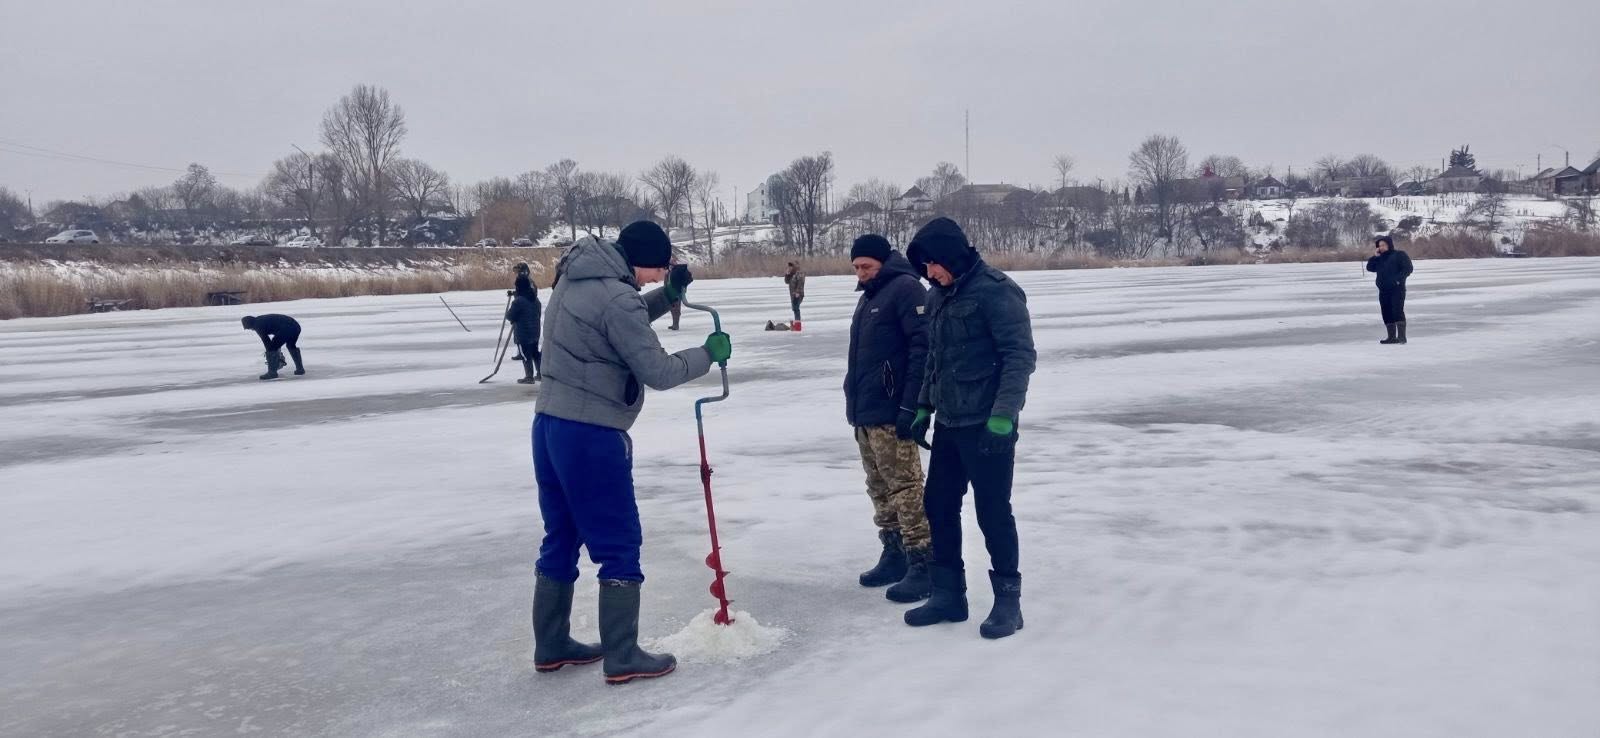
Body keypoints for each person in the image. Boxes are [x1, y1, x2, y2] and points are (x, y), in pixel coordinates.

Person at [530, 220, 728, 685]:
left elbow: (618, 321)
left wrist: (669, 295)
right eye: (658, 271)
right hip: (592, 433)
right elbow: (656, 369)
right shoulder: (618, 296)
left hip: (550, 426)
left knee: (561, 536)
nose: (656, 279)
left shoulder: (577, 278)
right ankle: (622, 655)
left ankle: (551, 644)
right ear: (640, 260)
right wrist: (707, 353)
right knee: (618, 542)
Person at [903, 217, 1036, 640]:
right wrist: (924, 404)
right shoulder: (938, 296)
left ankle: (1008, 602)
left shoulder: (997, 292)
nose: (929, 274)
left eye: (933, 265)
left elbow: (1019, 357)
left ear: (952, 256)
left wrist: (1004, 414)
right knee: (938, 505)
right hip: (949, 422)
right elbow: (934, 359)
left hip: (988, 425)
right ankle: (949, 595)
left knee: (993, 512)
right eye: (924, 268)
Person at [843, 234, 933, 602]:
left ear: (883, 262)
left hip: (893, 411)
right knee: (879, 487)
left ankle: (923, 561)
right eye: (856, 268)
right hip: (866, 411)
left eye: (866, 267)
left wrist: (910, 405)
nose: (861, 274)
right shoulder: (871, 297)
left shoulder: (906, 289)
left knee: (905, 487)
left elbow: (922, 350)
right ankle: (893, 551)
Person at [1366, 235, 1413, 344]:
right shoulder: (1379, 258)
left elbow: (1408, 269)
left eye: (1383, 245)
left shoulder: (1399, 255)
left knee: (1397, 311)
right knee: (1386, 313)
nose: (1381, 247)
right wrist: (1375, 256)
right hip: (1383, 290)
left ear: (1389, 245)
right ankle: (1391, 337)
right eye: (1379, 246)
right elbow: (1370, 268)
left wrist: (1397, 280)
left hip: (1397, 289)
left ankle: (1401, 337)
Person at [241, 314, 305, 380]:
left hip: (287, 328)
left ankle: (272, 373)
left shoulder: (257, 325)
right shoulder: (260, 320)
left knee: (272, 348)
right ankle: (300, 369)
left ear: (250, 324)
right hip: (296, 326)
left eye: (249, 328)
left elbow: (266, 342)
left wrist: (271, 354)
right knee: (290, 345)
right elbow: (277, 331)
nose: (251, 330)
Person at [507, 273, 542, 383]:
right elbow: (538, 314)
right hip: (535, 331)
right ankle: (540, 374)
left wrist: (514, 318)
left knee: (525, 355)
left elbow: (510, 316)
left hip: (523, 334)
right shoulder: (536, 300)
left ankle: (529, 377)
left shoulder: (518, 301)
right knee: (535, 353)